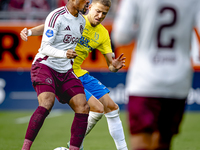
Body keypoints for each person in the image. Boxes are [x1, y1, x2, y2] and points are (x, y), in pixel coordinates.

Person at [20, 0, 128, 150]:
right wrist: (30, 31)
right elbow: (50, 27)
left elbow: (111, 64)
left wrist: (114, 66)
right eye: (97, 11)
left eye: (104, 13)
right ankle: (73, 146)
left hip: (78, 73)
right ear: (89, 7)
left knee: (112, 107)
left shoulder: (103, 33)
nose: (100, 16)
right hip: (63, 69)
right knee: (94, 108)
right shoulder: (77, 18)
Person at [112, 0, 200, 150]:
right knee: (163, 143)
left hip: (145, 79)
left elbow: (121, 36)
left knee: (141, 143)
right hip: (179, 79)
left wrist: (144, 28)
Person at [21, 0, 90, 150]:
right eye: (86, 0)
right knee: (47, 102)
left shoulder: (82, 21)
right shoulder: (56, 15)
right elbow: (45, 47)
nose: (88, 3)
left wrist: (31, 31)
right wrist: (64, 53)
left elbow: (49, 28)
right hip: (45, 65)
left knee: (83, 106)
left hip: (65, 70)